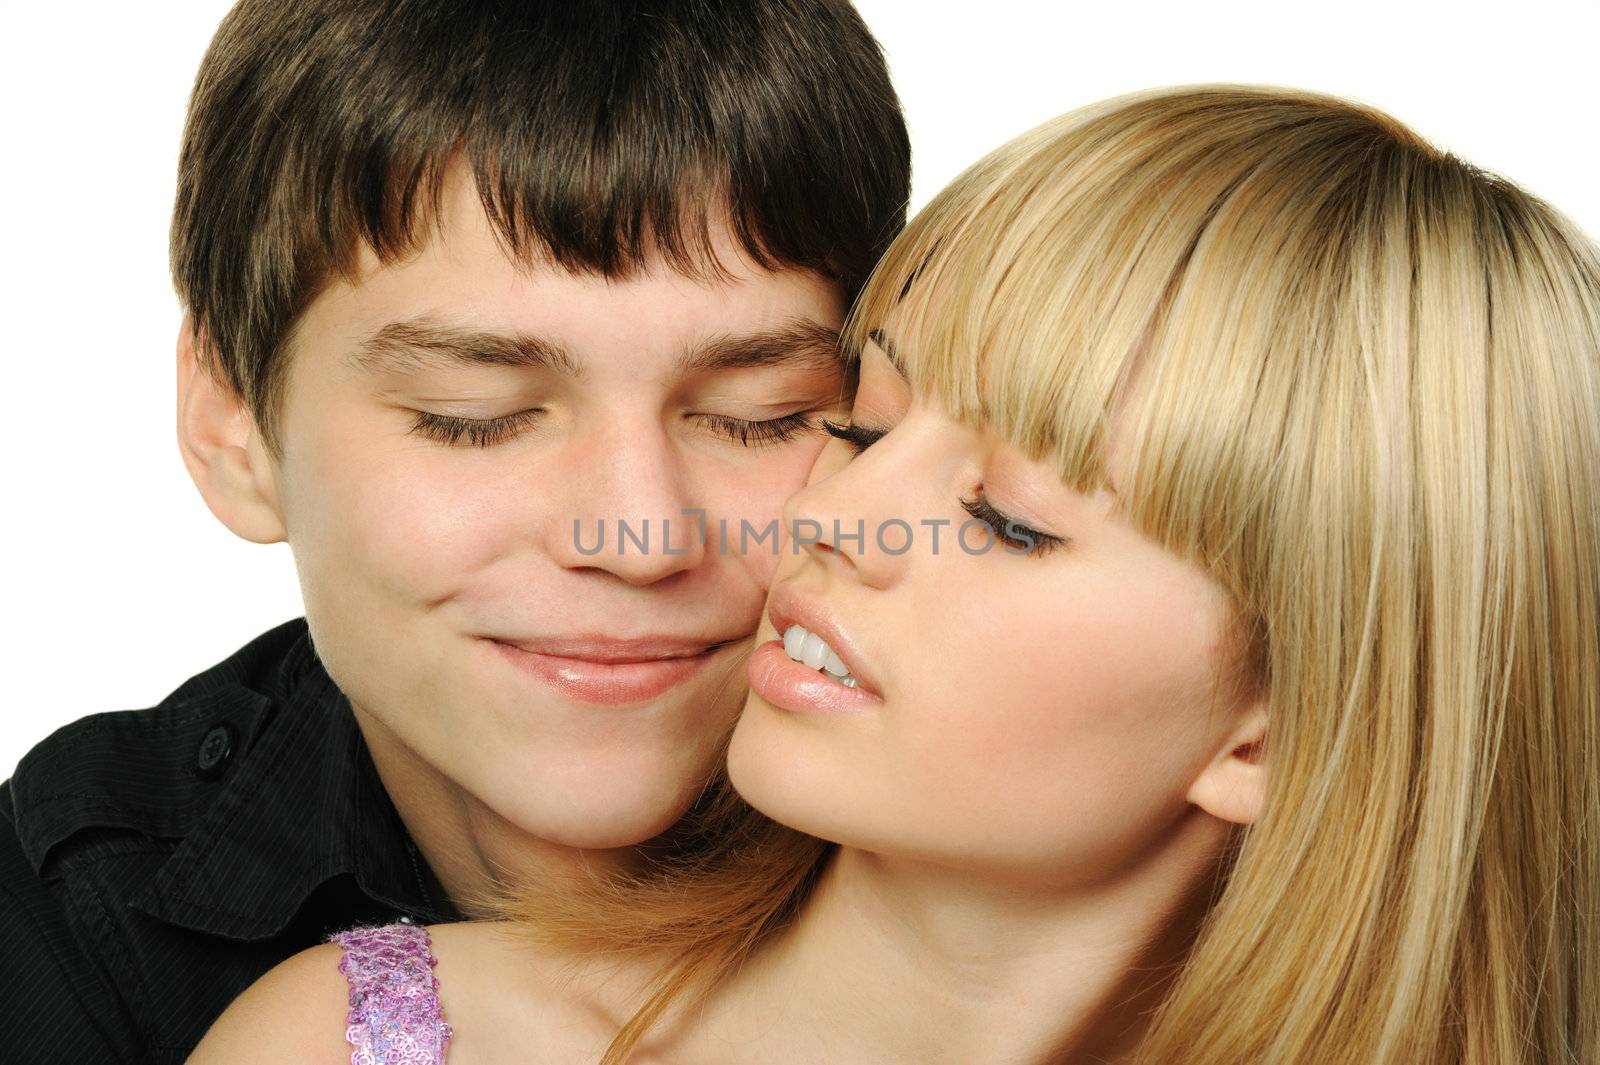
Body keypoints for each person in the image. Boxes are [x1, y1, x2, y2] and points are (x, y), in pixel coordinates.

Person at [189, 83, 1598, 1065]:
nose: (837, 517)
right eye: (853, 423)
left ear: (1279, 727)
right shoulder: (375, 1036)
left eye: (1007, 518)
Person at [0, 2, 910, 1061]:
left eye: (761, 416)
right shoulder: (66, 924)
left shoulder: (1043, 822)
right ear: (232, 427)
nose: (641, 536)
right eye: (473, 418)